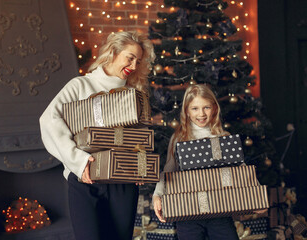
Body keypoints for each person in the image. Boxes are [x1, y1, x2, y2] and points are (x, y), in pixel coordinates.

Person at [39, 31, 155, 240]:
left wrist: (139, 165)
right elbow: (49, 120)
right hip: (85, 180)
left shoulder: (133, 93)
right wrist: (79, 161)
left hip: (123, 183)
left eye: (138, 61)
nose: (134, 66)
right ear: (113, 52)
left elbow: (140, 137)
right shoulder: (79, 86)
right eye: (130, 58)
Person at [152, 84, 239, 240]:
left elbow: (239, 168)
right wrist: (157, 195)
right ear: (186, 111)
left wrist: (257, 194)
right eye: (195, 109)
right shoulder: (179, 137)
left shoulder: (223, 136)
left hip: (219, 209)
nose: (201, 114)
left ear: (214, 108)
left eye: (206, 107)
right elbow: (169, 170)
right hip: (187, 211)